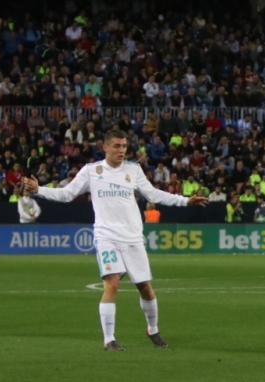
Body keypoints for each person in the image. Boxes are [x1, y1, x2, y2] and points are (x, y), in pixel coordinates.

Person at [22, 129, 208, 351]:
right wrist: (39, 190)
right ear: (106, 148)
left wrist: (185, 201)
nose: (122, 150)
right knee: (112, 283)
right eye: (117, 146)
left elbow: (153, 194)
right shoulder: (92, 171)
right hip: (106, 237)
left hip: (133, 238)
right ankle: (109, 339)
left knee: (145, 288)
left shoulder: (133, 170)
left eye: (124, 146)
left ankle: (153, 329)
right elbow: (67, 194)